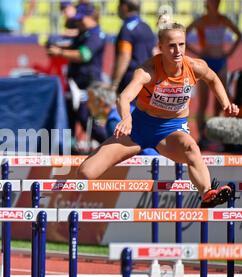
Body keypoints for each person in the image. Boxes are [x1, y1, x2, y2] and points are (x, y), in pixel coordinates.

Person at [78, 22, 239, 208]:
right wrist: (126, 118)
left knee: (191, 148)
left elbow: (213, 78)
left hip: (171, 131)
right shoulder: (149, 71)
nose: (178, 51)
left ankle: (207, 193)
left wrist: (226, 104)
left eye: (182, 44)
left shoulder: (195, 66)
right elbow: (124, 97)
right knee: (85, 173)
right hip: (138, 128)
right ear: (160, 47)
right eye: (171, 46)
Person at [47, 3, 107, 148]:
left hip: (90, 86)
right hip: (76, 85)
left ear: (91, 17)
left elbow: (84, 55)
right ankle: (71, 149)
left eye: (81, 19)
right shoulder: (84, 33)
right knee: (71, 119)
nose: (78, 22)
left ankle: (110, 146)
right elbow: (74, 45)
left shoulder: (96, 35)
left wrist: (59, 52)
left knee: (88, 119)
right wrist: (58, 46)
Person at [186, 0, 241, 149]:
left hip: (221, 62)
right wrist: (197, 53)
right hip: (206, 62)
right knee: (203, 102)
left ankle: (215, 136)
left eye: (217, 1)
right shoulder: (201, 21)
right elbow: (183, 35)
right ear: (207, 3)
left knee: (219, 102)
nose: (216, 3)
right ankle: (202, 137)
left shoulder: (223, 19)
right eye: (213, 1)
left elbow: (238, 34)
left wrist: (229, 53)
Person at [111, 0, 156, 95]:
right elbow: (154, 52)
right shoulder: (146, 26)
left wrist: (115, 83)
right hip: (146, 78)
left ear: (125, 7)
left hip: (129, 80)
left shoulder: (127, 29)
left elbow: (124, 56)